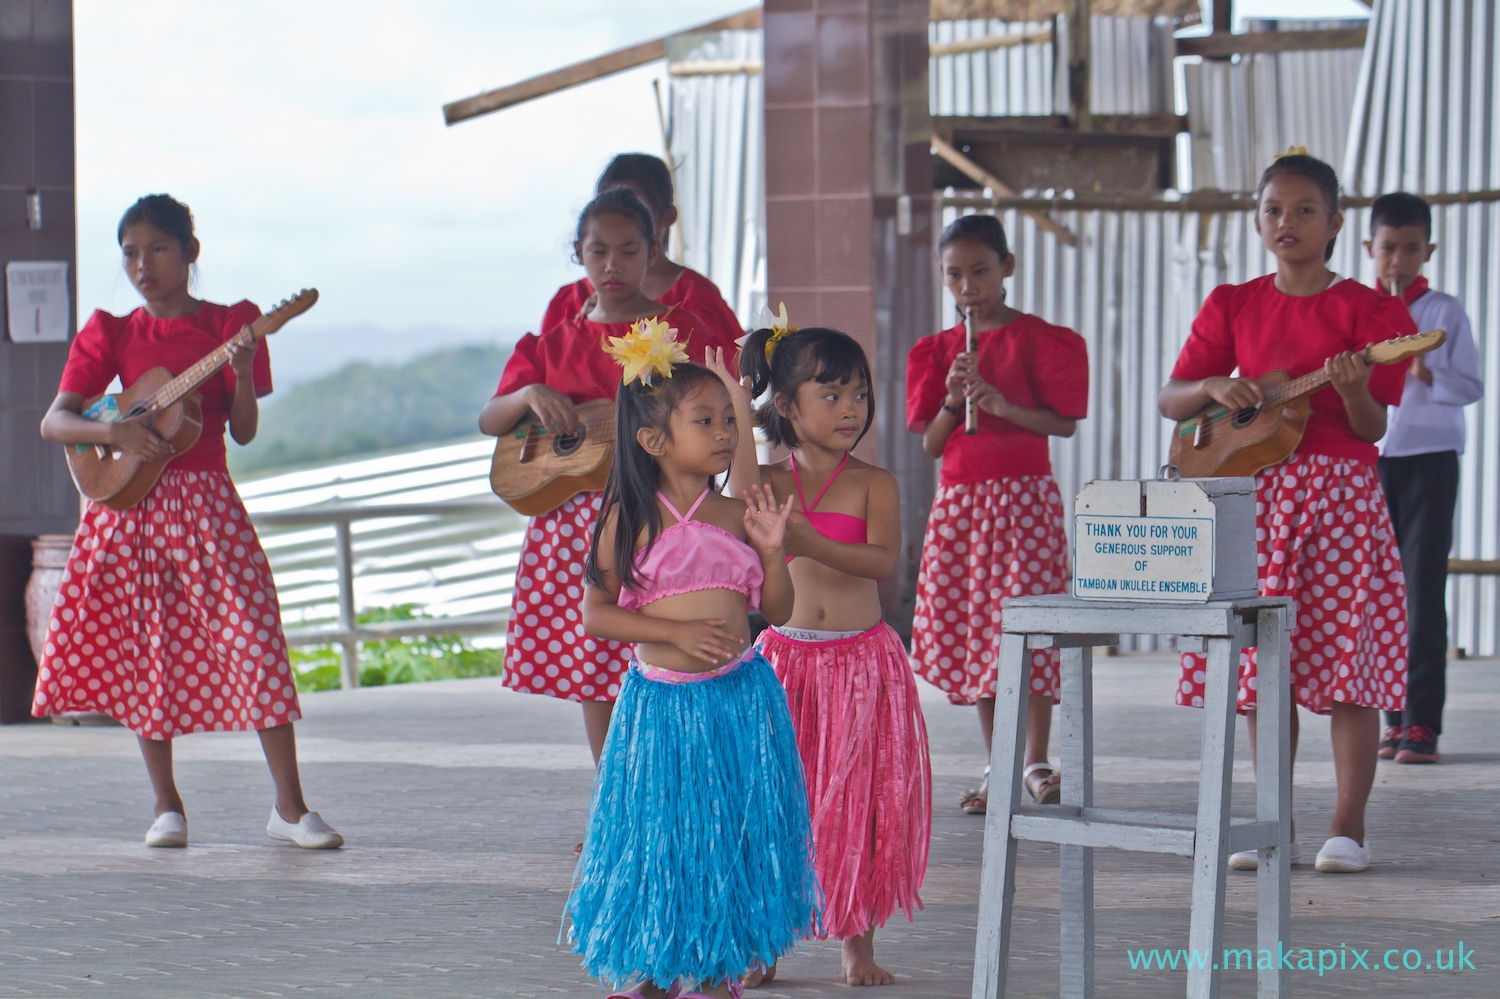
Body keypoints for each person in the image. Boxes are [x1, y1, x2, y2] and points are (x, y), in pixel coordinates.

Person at [32, 194, 342, 851]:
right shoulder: (111, 331)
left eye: (157, 249)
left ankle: (289, 805)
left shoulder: (233, 323)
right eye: (130, 253)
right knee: (147, 651)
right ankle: (165, 804)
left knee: (254, 639)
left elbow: (245, 432)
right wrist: (113, 428)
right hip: (130, 509)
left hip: (207, 506)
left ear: (190, 252)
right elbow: (56, 420)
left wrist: (243, 370)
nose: (142, 264)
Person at [1158, 151, 1417, 874]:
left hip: (1339, 499)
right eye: (1275, 209)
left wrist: (1355, 385)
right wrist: (1217, 383)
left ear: (1335, 223)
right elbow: (1172, 400)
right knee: (1259, 670)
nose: (1288, 222)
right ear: (1257, 218)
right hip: (1254, 498)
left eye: (1305, 210)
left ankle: (1349, 825)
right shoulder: (1232, 302)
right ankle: (1278, 822)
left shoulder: (1370, 311)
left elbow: (1371, 429)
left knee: (1347, 664)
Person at [566, 322, 818, 999]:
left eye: (727, 421)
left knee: (726, 838)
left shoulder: (737, 513)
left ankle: (714, 969)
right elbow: (596, 613)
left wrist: (770, 551)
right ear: (652, 439)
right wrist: (670, 636)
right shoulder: (630, 516)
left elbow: (781, 609)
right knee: (659, 837)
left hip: (738, 700)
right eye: (704, 420)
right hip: (662, 704)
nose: (724, 432)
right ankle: (648, 968)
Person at [479, 188, 741, 767]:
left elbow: (727, 399)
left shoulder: (679, 330)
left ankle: (675, 789)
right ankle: (611, 800)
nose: (612, 265)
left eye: (628, 250)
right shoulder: (553, 342)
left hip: (660, 516)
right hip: (571, 523)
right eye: (599, 251)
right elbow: (489, 418)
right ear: (579, 254)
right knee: (594, 670)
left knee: (658, 655)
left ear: (654, 252)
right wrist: (528, 392)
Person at [712, 314, 930, 989]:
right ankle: (765, 940)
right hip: (785, 665)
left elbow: (883, 560)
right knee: (773, 803)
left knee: (859, 804)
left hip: (864, 663)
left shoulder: (876, 482)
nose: (850, 409)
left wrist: (807, 542)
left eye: (859, 394)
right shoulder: (769, 483)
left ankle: (856, 942)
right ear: (786, 405)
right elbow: (739, 478)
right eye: (830, 395)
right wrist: (732, 399)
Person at [905, 214, 1089, 814]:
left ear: (1007, 267)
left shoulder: (1041, 338)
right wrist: (956, 402)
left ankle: (1035, 759)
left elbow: (1062, 423)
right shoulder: (936, 352)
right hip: (961, 504)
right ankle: (999, 762)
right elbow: (932, 443)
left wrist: (1004, 403)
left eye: (980, 271)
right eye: (954, 275)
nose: (968, 286)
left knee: (1029, 629)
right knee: (979, 632)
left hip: (1026, 497)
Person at [1365, 192, 1484, 765]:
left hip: (1430, 458)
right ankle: (1391, 719)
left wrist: (1422, 366)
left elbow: (1471, 387)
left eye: (1411, 247)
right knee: (1380, 591)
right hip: (1371, 460)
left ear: (1428, 249)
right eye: (1389, 247)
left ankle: (1422, 723)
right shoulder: (1360, 311)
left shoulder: (1444, 312)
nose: (1398, 259)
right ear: (1370, 248)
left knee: (1423, 587)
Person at [541, 153, 743, 343]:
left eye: (634, 205)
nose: (618, 218)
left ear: (668, 215)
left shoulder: (696, 300)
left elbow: (733, 369)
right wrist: (584, 327)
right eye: (608, 206)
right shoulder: (570, 301)